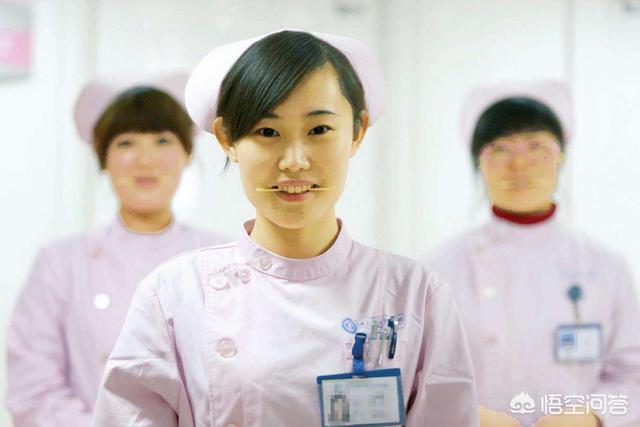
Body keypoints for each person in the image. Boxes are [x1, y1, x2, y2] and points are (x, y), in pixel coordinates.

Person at [91, 29, 478, 426]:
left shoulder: (416, 294)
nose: (294, 161)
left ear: (357, 132)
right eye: (267, 132)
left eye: (319, 130)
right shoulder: (174, 295)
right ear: (227, 139)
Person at [6, 73, 228, 426]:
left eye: (162, 140)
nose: (145, 160)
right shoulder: (60, 264)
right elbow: (33, 390)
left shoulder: (222, 258)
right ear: (103, 158)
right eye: (126, 143)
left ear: (187, 154)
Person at [422, 81, 640, 427]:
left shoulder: (606, 266)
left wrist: (591, 416)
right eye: (500, 149)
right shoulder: (437, 269)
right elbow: (416, 378)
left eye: (536, 146)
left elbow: (632, 378)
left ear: (560, 155)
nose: (519, 164)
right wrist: (468, 415)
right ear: (480, 162)